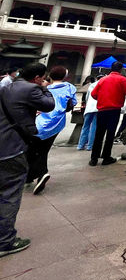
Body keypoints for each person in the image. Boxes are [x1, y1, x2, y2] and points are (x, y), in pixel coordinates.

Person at [0, 62, 54, 257]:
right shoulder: (32, 88)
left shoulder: (7, 86)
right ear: (38, 77)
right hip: (11, 148)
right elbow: (49, 105)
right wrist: (45, 89)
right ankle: (5, 241)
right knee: (10, 194)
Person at [27, 66, 77, 194]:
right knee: (43, 149)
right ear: (65, 76)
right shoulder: (70, 87)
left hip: (40, 121)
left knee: (35, 149)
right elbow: (73, 102)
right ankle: (35, 175)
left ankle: (39, 173)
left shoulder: (45, 88)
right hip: (57, 122)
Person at [90, 61, 126, 166]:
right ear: (120, 70)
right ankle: (106, 157)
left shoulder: (103, 79)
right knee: (110, 134)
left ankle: (94, 158)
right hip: (114, 110)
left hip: (102, 110)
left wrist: (102, 99)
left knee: (99, 134)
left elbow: (94, 94)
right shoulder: (122, 79)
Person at [77, 75, 99, 151]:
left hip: (89, 108)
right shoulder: (103, 85)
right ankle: (90, 146)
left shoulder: (91, 85)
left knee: (85, 126)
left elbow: (87, 97)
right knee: (94, 127)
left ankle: (80, 145)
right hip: (97, 108)